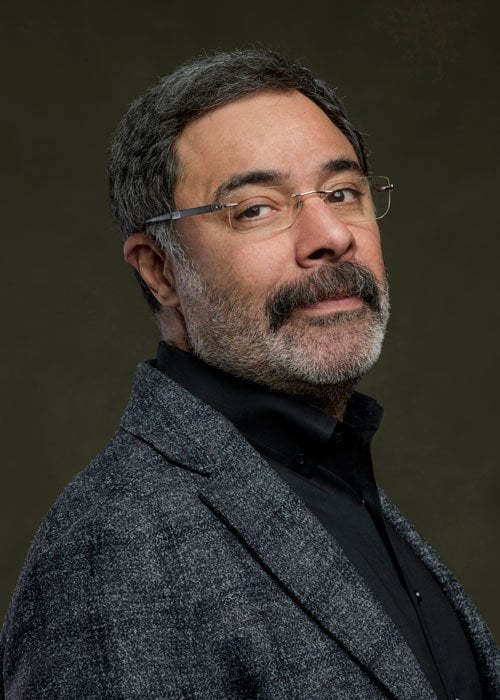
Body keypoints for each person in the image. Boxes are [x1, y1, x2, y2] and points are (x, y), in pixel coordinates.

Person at [1, 49, 498, 699]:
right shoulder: (116, 549)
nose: (330, 235)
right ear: (158, 269)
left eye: (342, 193)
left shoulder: (332, 478)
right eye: (256, 208)